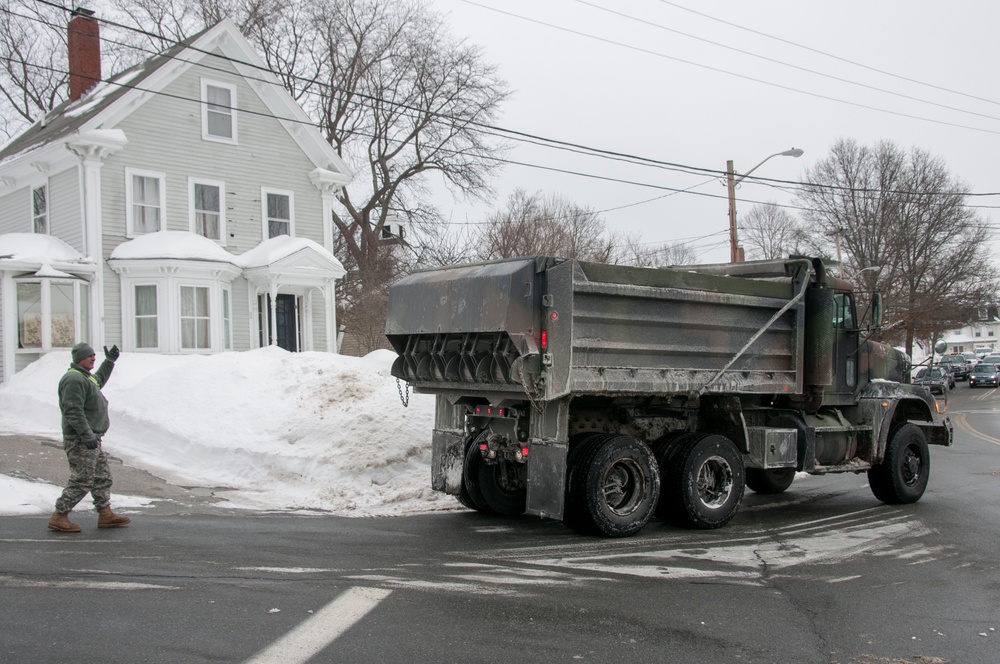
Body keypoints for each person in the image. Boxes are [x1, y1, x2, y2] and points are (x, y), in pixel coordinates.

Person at [47, 342, 132, 533]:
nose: (93, 358)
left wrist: (109, 361)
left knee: (102, 476)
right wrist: (86, 435)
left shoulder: (85, 378)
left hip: (92, 438)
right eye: (89, 356)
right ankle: (59, 515)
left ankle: (105, 514)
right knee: (83, 479)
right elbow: (73, 410)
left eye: (94, 355)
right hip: (80, 439)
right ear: (78, 359)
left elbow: (99, 380)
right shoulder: (73, 379)